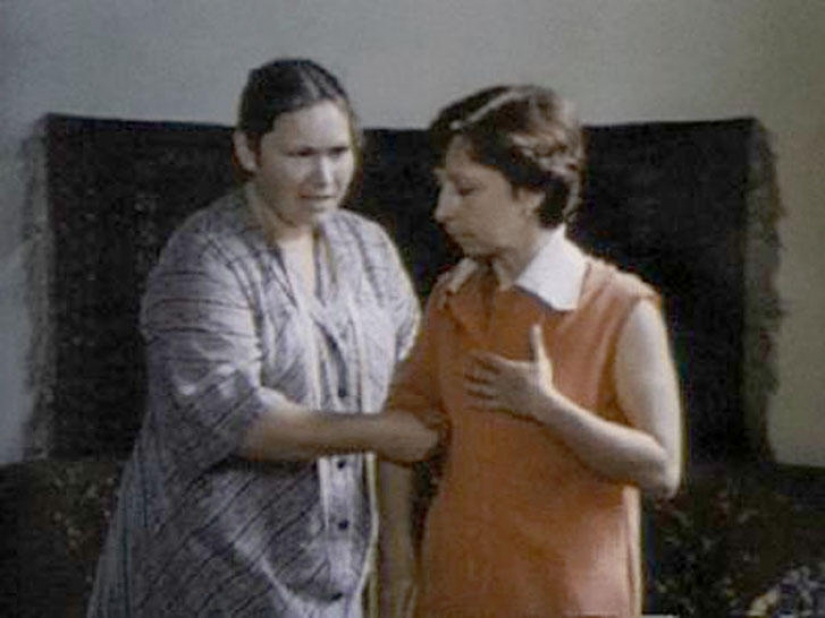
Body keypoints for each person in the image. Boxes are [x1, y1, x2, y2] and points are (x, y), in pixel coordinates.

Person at [87, 58, 434, 617]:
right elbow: (240, 419)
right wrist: (382, 433)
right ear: (248, 152)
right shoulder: (205, 255)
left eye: (339, 152)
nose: (325, 178)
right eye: (301, 155)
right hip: (208, 569)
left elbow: (406, 395)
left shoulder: (368, 248)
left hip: (334, 574)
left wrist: (397, 555)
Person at [378, 85, 684, 618]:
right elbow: (398, 429)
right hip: (454, 592)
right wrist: (398, 557)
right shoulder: (452, 297)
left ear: (531, 193)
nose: (442, 211)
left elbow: (662, 470)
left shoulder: (621, 308)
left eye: (465, 190)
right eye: (442, 187)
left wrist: (547, 407)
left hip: (568, 599)